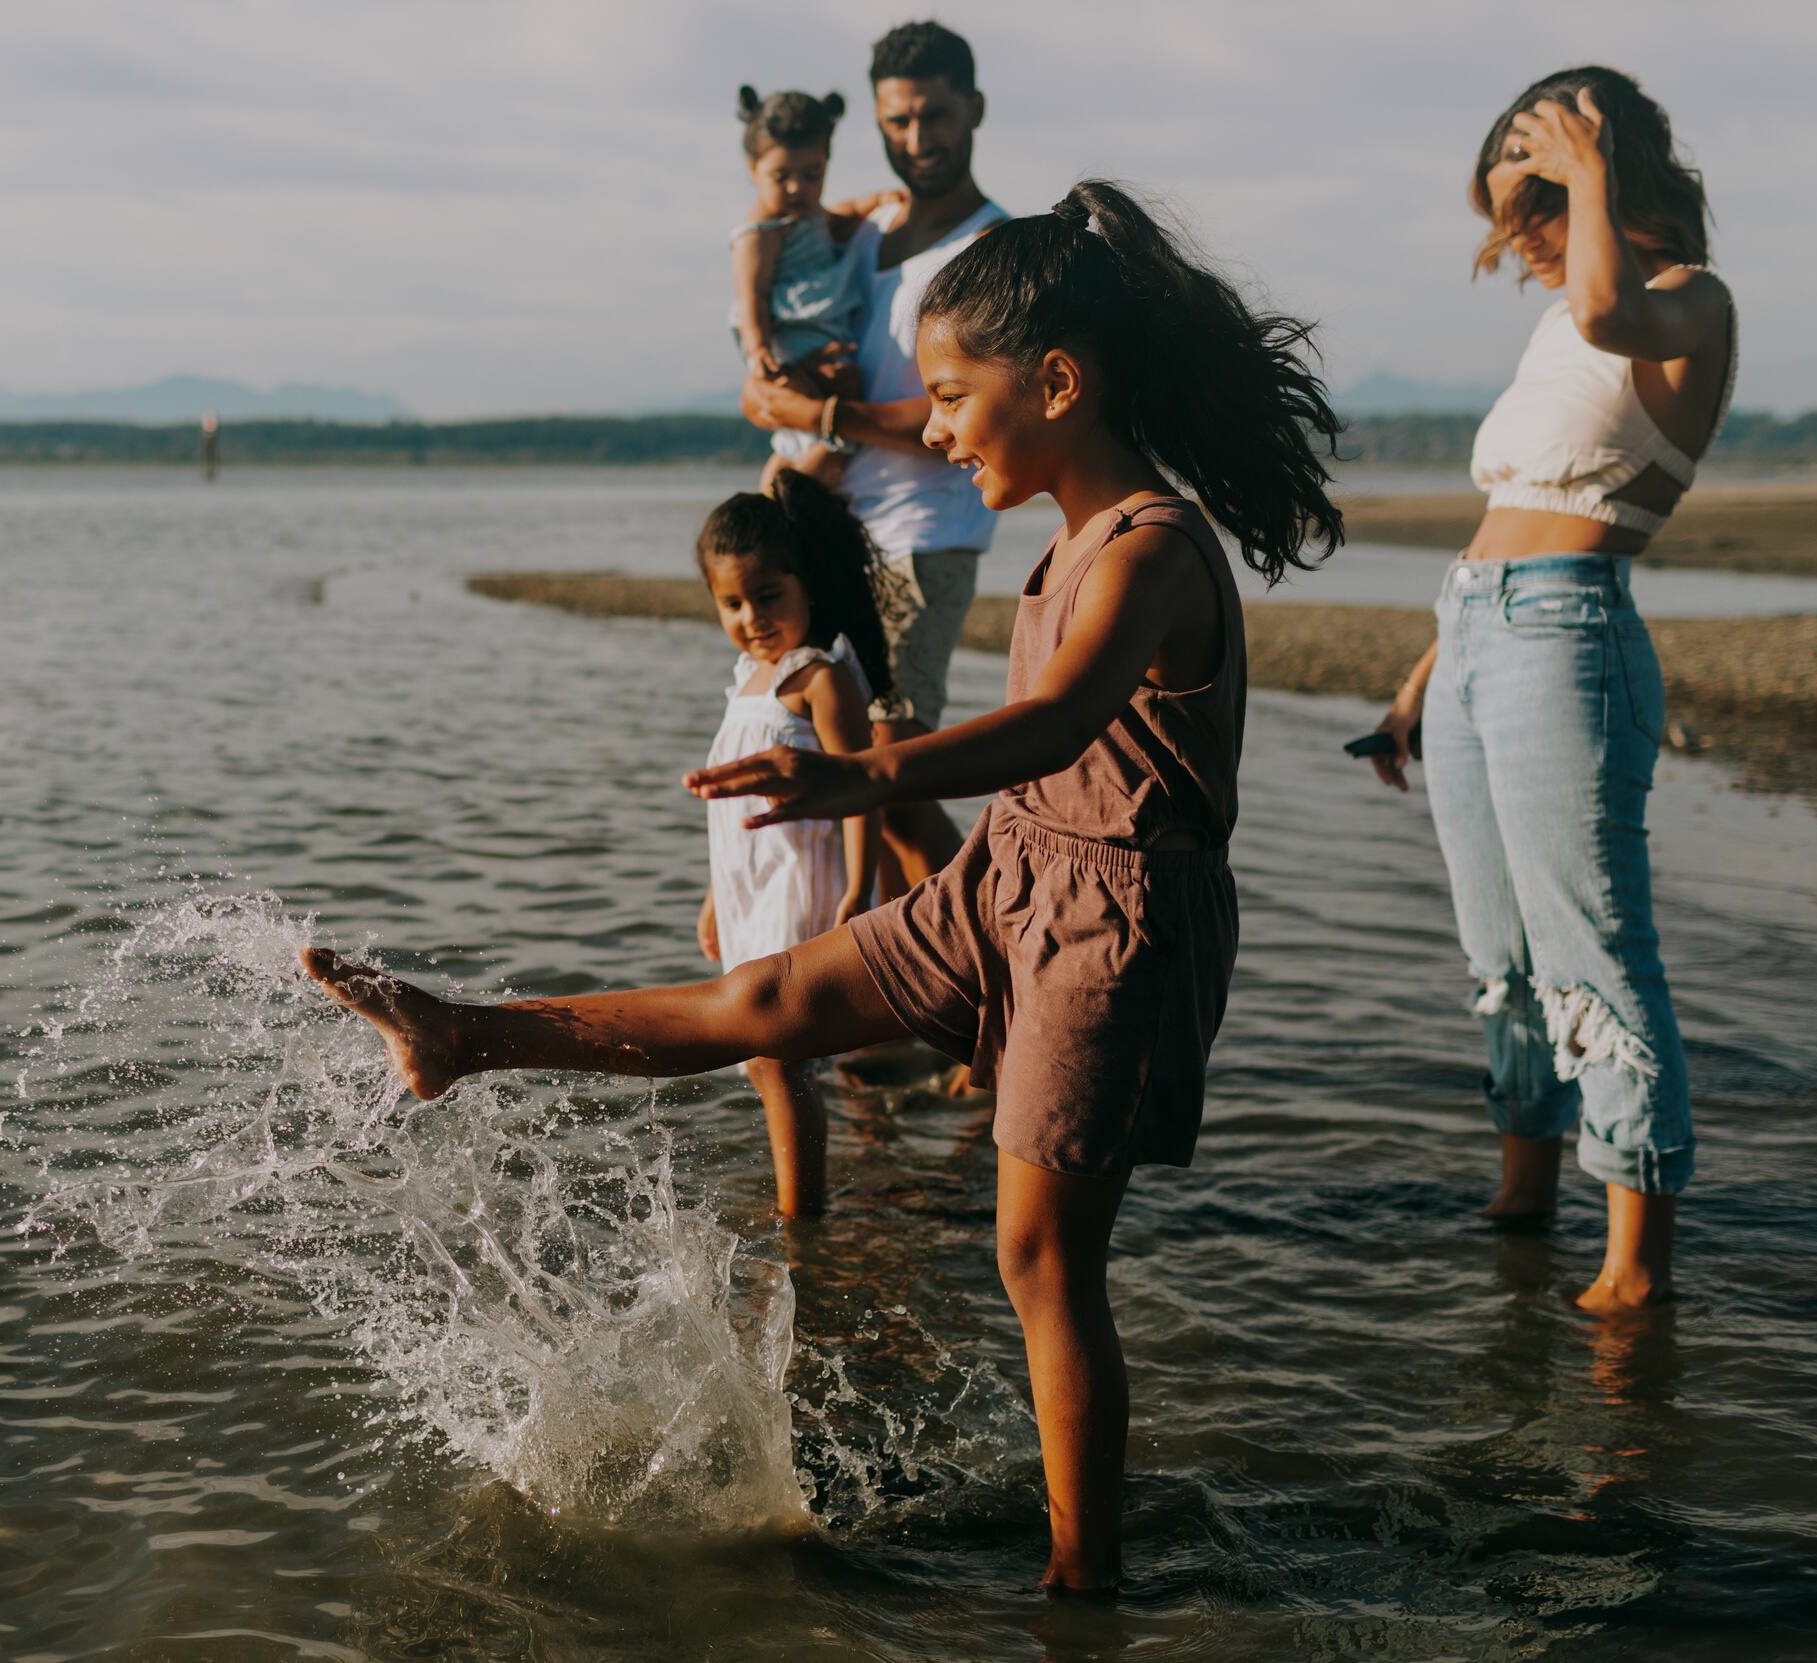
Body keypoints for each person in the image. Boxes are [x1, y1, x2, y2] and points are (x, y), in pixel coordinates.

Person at [305, 181, 1343, 1591]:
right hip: (1013, 872)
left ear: (1057, 382)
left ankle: (1078, 1585)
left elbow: (1059, 724)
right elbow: (1030, 765)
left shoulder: (1150, 546)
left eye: (952, 395)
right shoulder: (1064, 537)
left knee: (1038, 1258)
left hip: (1115, 923)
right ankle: (467, 1033)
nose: (931, 423)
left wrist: (856, 777)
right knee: (767, 991)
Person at [1362, 68, 1732, 1313]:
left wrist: (1584, 175)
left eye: (1534, 202)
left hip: (1568, 636)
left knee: (1594, 954)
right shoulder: (1560, 316)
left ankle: (1633, 1268)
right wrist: (1425, 671)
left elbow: (1609, 308)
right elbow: (1500, 516)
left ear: (1600, 166)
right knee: (1501, 960)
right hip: (1476, 634)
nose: (1516, 240)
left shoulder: (1685, 301)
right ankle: (1523, 1198)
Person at [742, 20, 1008, 897]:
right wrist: (769, 389)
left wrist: (824, 413)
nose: (918, 139)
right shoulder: (863, 230)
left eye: (935, 116)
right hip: (828, 532)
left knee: (888, 783)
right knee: (828, 771)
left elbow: (969, 408)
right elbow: (780, 312)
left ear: (973, 109)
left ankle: (997, 969)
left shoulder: (992, 249)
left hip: (924, 536)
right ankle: (897, 1012)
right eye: (898, 121)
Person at [694, 474, 896, 1216]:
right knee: (763, 1059)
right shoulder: (748, 678)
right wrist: (716, 895)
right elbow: (730, 806)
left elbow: (863, 786)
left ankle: (800, 1218)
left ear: (804, 584)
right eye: (732, 603)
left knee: (779, 1060)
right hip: (752, 891)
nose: (751, 618)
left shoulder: (820, 677)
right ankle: (849, 1171)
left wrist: (857, 888)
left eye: (768, 595)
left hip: (806, 890)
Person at [728, 88, 900, 491]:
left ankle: (783, 493)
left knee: (801, 434)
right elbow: (750, 296)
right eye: (781, 177)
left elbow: (837, 214)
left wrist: (876, 200)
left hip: (823, 329)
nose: (796, 188)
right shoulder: (757, 233)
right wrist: (758, 351)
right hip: (788, 339)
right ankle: (788, 504)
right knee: (825, 428)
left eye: (812, 175)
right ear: (753, 169)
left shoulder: (808, 213)